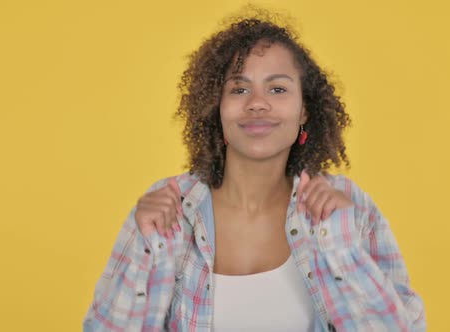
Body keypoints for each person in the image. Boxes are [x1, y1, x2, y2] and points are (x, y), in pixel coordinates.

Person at [83, 11, 425, 332]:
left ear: (305, 109)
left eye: (277, 89)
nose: (257, 102)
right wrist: (145, 255)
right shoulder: (168, 208)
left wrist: (343, 248)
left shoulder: (348, 207)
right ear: (217, 108)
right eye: (239, 89)